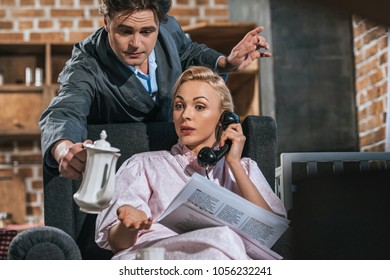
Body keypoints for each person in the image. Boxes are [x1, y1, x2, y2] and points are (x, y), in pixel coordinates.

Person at [39, 0, 272, 181]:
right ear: (106, 21)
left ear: (159, 24)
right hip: (126, 172)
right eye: (125, 31)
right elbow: (64, 111)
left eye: (147, 32)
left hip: (181, 162)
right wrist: (64, 149)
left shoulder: (168, 28)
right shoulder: (86, 64)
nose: (136, 44)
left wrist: (225, 63)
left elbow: (187, 52)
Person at [95, 66, 287, 260]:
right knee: (222, 238)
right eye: (179, 106)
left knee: (223, 241)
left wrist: (234, 164)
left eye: (199, 106)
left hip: (226, 261)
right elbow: (117, 244)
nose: (185, 115)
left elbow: (272, 236)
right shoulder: (143, 166)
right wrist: (127, 225)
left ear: (224, 119)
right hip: (156, 260)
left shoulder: (244, 168)